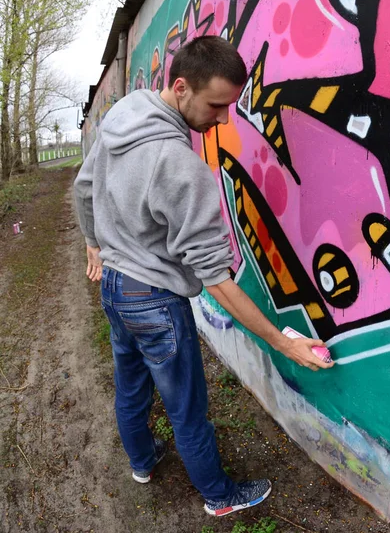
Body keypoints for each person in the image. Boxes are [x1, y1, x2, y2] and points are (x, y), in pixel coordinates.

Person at [73, 35, 334, 517]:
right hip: (153, 300)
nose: (222, 118)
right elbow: (216, 279)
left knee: (130, 384)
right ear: (180, 87)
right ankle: (218, 496)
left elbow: (83, 185)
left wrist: (94, 243)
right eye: (216, 104)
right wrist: (282, 341)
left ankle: (143, 462)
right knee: (186, 410)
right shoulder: (180, 166)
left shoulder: (125, 113)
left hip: (114, 287)